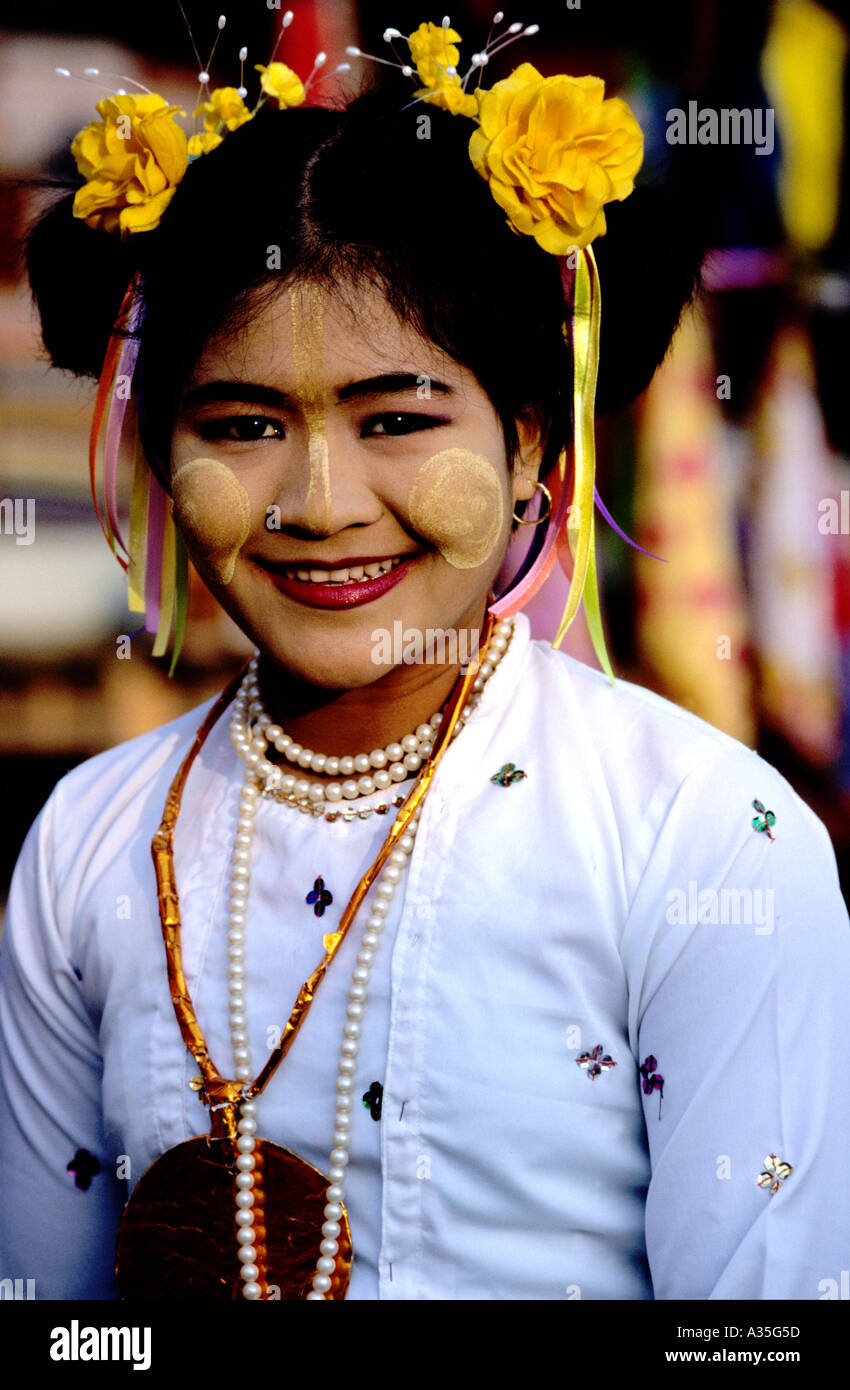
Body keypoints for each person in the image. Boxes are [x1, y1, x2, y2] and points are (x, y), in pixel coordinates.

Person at [1, 17, 848, 1302]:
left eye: (398, 418)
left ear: (528, 451)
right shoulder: (89, 844)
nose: (323, 502)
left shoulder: (703, 838)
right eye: (243, 424)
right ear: (160, 458)